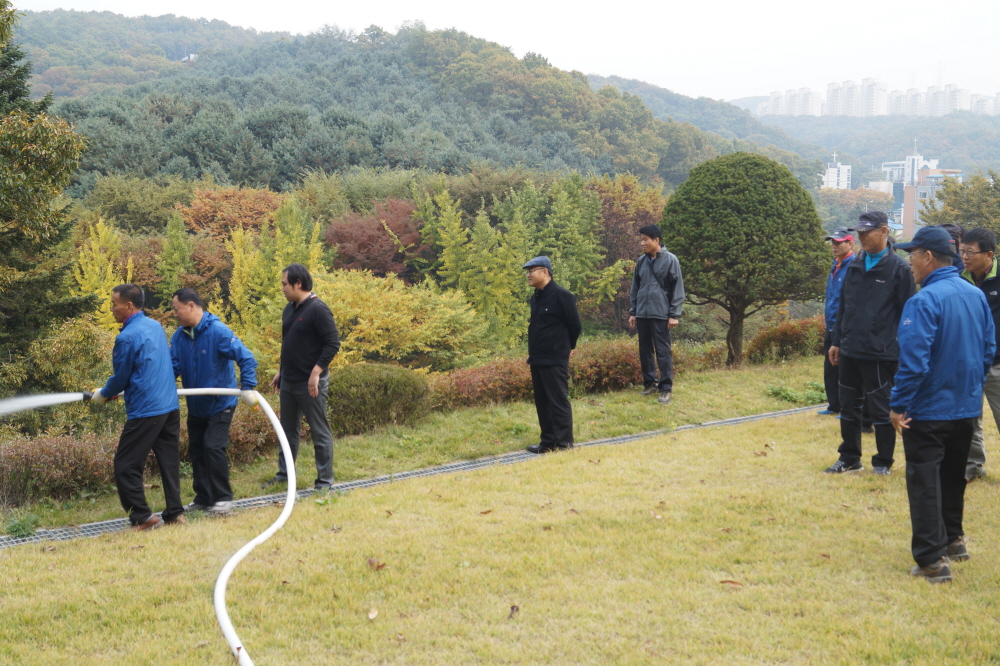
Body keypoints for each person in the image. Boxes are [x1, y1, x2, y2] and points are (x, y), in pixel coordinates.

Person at [890, 226, 995, 583]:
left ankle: (932, 561)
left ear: (929, 257)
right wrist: (969, 388)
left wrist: (899, 405)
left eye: (913, 255)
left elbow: (914, 361)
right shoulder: (974, 294)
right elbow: (987, 349)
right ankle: (954, 540)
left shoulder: (923, 301)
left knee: (924, 479)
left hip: (929, 409)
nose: (910, 263)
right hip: (965, 406)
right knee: (952, 476)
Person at [826, 211, 916, 475]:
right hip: (850, 347)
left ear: (884, 231)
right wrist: (836, 341)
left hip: (880, 351)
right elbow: (845, 306)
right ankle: (850, 457)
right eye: (859, 233)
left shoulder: (898, 268)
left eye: (867, 232)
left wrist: (899, 348)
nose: (862, 237)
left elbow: (908, 312)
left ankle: (883, 462)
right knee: (848, 406)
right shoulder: (855, 263)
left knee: (880, 410)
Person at [90, 284, 185, 531]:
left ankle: (143, 517)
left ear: (128, 306)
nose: (112, 309)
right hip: (169, 405)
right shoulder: (155, 326)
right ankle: (175, 513)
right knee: (168, 461)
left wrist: (103, 394)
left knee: (126, 464)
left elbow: (121, 378)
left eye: (114, 304)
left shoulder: (126, 337)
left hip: (147, 409)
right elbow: (148, 366)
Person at [170, 288, 258, 514]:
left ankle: (223, 499)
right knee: (197, 449)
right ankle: (203, 498)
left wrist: (248, 388)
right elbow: (173, 368)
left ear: (191, 306)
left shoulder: (218, 331)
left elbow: (247, 359)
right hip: (196, 405)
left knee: (213, 446)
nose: (174, 314)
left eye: (176, 309)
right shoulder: (179, 337)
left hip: (221, 403)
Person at [264, 264, 341, 490]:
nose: (282, 288)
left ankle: (325, 481)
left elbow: (332, 343)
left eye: (284, 284)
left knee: (319, 431)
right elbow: (288, 344)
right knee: (287, 431)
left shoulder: (318, 309)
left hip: (311, 385)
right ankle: (284, 475)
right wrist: (281, 371)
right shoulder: (289, 309)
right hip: (288, 381)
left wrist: (316, 373)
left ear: (298, 283)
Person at [524, 256, 582, 454]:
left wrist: (568, 347)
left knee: (558, 400)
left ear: (545, 272)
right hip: (537, 357)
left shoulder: (562, 295)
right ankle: (547, 442)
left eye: (532, 270)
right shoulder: (535, 297)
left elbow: (575, 325)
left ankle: (564, 443)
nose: (528, 274)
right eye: (527, 271)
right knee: (542, 402)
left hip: (555, 357)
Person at [959, 228, 1000, 481]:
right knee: (969, 420)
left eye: (970, 252)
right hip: (969, 363)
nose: (964, 256)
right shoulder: (960, 278)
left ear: (989, 254)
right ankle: (973, 466)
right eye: (961, 250)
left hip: (997, 364)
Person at [628, 224, 685, 405]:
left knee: (662, 351)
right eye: (641, 239)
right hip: (643, 313)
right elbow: (635, 288)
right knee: (645, 350)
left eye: (645, 239)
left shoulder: (670, 260)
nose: (642, 243)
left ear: (656, 240)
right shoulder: (641, 261)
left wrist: (674, 314)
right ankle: (650, 383)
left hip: (661, 313)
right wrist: (633, 312)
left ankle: (665, 388)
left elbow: (678, 289)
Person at [818, 228, 855, 416]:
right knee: (829, 367)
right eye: (833, 242)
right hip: (830, 323)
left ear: (850, 243)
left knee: (844, 368)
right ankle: (833, 405)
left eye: (839, 242)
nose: (834, 245)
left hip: (844, 325)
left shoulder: (853, 266)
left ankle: (846, 407)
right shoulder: (835, 264)